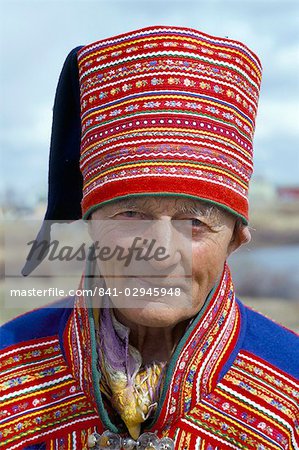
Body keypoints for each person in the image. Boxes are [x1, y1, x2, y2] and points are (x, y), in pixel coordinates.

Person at [1, 26, 298, 450]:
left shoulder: (291, 394)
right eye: (130, 215)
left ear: (236, 238)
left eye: (194, 223)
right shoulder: (8, 369)